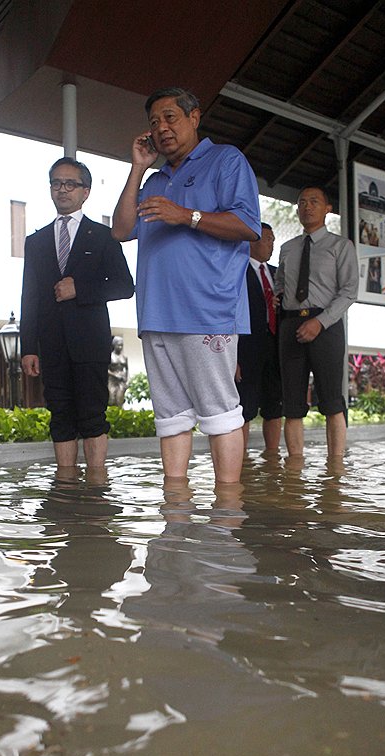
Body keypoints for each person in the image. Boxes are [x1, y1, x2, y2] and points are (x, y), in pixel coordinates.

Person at [111, 87, 260, 484]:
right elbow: (122, 229)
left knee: (220, 413)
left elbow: (248, 226)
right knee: (171, 418)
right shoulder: (155, 181)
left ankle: (228, 509)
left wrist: (188, 215)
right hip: (157, 313)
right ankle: (175, 512)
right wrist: (138, 169)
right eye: (154, 122)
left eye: (170, 117)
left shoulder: (226, 160)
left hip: (207, 310)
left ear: (195, 117)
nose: (161, 128)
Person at [19, 157, 134, 469]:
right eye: (56, 182)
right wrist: (28, 347)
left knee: (93, 415)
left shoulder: (103, 236)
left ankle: (97, 487)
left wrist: (80, 288)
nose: (62, 189)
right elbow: (29, 295)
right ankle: (65, 488)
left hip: (90, 342)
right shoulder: (36, 241)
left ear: (86, 191)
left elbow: (125, 286)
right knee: (60, 414)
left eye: (70, 183)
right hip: (51, 342)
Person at [274, 185, 358, 460]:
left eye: (314, 201)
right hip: (290, 327)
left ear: (327, 209)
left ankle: (336, 469)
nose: (307, 207)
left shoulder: (341, 246)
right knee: (292, 404)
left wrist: (320, 322)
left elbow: (348, 292)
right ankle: (294, 472)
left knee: (332, 401)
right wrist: (277, 297)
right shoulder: (287, 248)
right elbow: (280, 284)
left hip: (327, 327)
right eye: (302, 202)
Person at [235, 222, 282, 452]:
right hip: (246, 350)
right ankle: (241, 463)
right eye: (267, 239)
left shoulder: (277, 274)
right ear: (251, 240)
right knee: (245, 407)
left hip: (275, 347)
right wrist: (232, 358)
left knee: (275, 405)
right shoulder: (237, 270)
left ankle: (272, 459)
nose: (271, 244)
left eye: (273, 240)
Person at [107, 335, 129, 406]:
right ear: (114, 345)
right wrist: (114, 375)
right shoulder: (110, 356)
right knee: (111, 399)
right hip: (112, 380)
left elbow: (127, 369)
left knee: (119, 400)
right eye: (118, 345)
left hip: (121, 381)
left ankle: (120, 415)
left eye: (121, 345)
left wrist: (127, 379)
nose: (120, 347)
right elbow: (106, 369)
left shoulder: (124, 357)